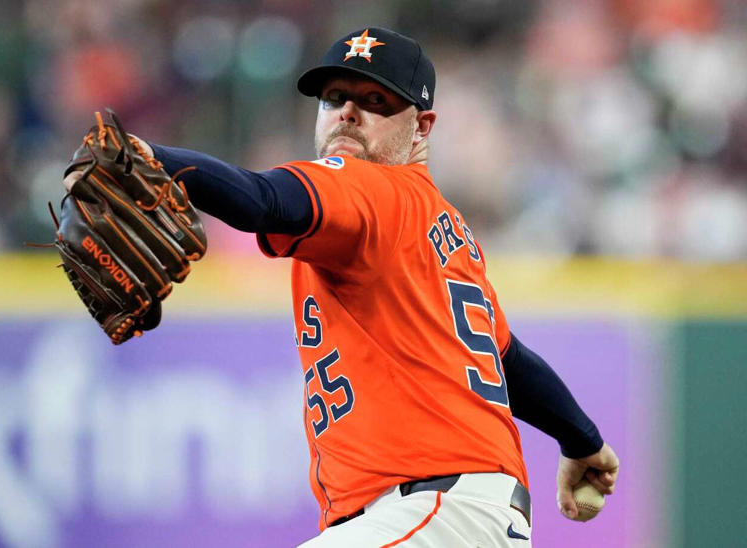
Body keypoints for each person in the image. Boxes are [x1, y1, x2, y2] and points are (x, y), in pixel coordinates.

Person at [65, 27, 618, 547]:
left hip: (435, 512)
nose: (349, 112)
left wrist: (140, 156)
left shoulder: (369, 189)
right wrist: (583, 440)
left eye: (375, 101)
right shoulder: (436, 224)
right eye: (334, 98)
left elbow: (262, 198)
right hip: (454, 516)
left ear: (422, 126)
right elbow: (507, 359)